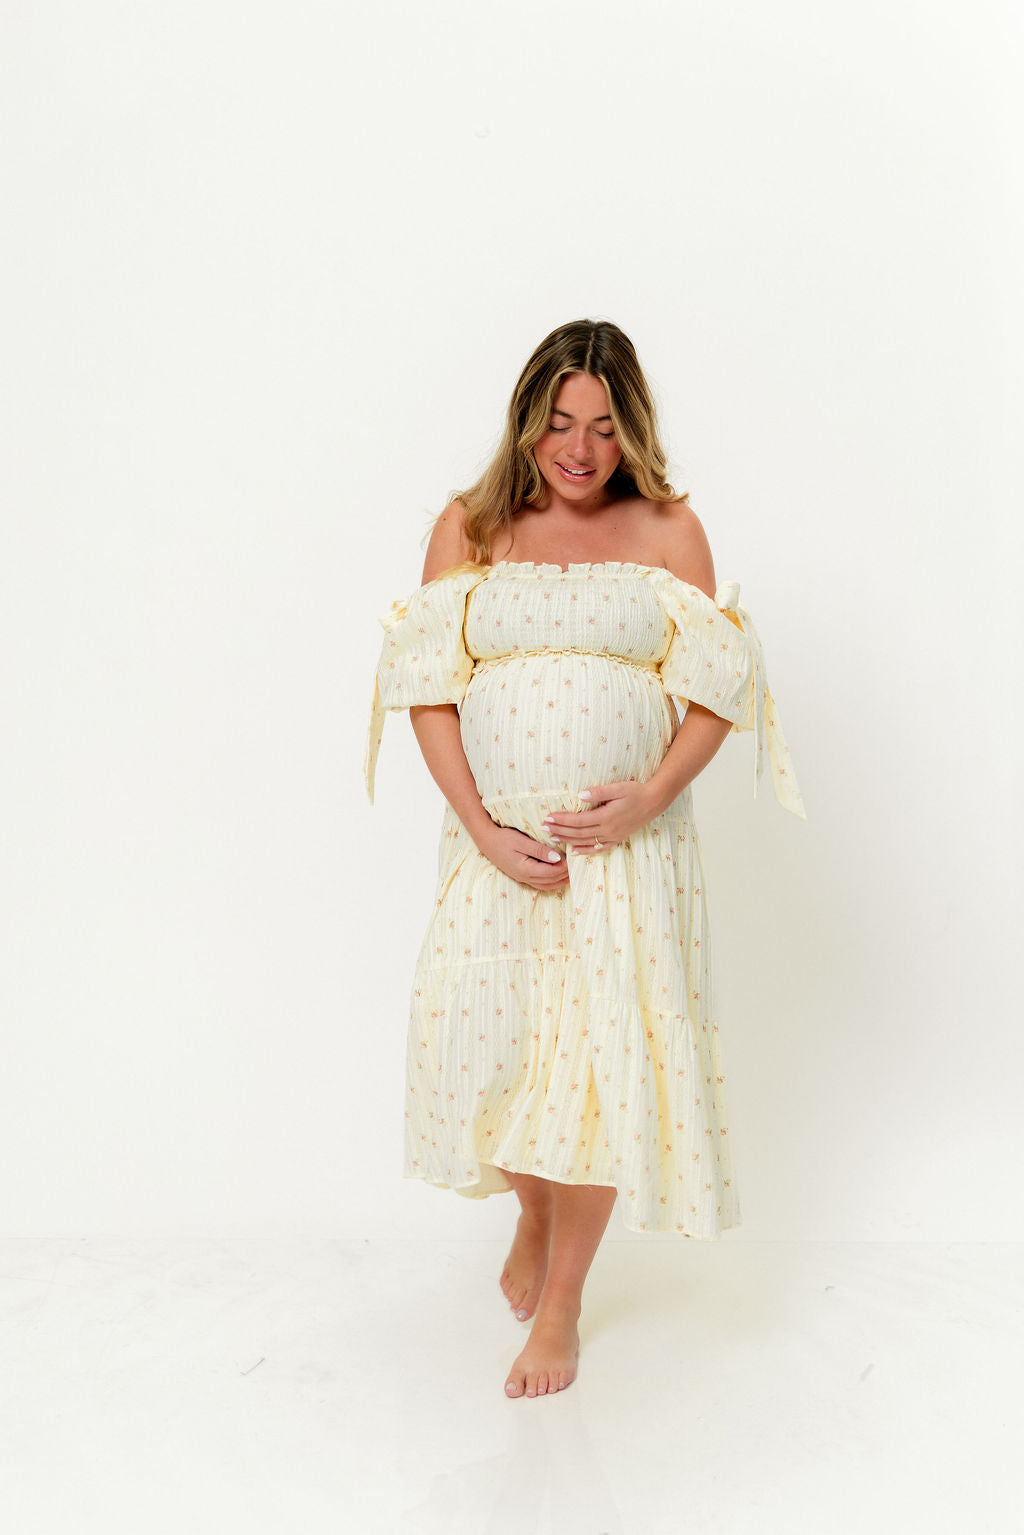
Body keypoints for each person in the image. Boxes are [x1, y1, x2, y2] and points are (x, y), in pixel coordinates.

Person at [363, 318, 805, 1400]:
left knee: (604, 1072)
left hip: (629, 857)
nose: (579, 448)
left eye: (603, 428)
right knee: (493, 1051)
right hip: (497, 851)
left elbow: (717, 689)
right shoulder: (470, 527)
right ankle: (532, 1210)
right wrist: (482, 828)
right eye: (560, 422)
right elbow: (424, 687)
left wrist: (648, 795)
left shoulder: (669, 530)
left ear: (631, 431)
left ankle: (562, 1300)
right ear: (528, 420)